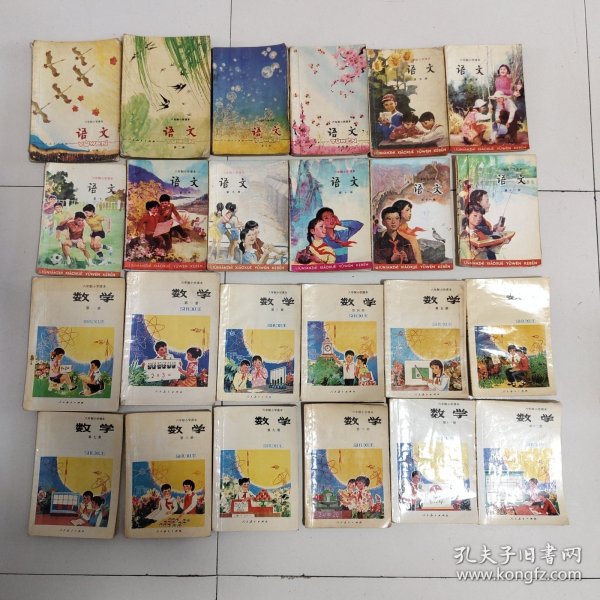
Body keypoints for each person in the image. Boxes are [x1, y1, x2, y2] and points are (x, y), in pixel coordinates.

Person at [391, 199, 423, 264]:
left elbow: (417, 255)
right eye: (407, 210)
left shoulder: (410, 232)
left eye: (410, 211)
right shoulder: (390, 231)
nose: (410, 213)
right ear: (399, 211)